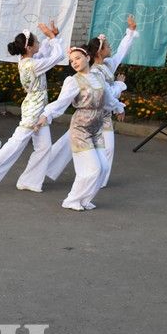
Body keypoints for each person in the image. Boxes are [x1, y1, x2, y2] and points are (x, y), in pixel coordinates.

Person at [0, 21, 63, 195]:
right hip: (33, 109)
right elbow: (56, 57)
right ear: (29, 48)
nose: (38, 43)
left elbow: (45, 52)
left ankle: (29, 181)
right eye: (36, 41)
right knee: (15, 144)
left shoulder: (30, 60)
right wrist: (52, 38)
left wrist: (53, 37)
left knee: (44, 147)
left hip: (38, 108)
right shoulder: (32, 64)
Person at [45, 15, 138, 186]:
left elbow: (121, 53)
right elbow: (108, 92)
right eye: (108, 46)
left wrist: (131, 32)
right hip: (95, 115)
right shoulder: (95, 72)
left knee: (97, 148)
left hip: (104, 114)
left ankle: (98, 180)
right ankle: (50, 167)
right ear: (100, 51)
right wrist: (120, 84)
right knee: (87, 146)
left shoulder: (108, 64)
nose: (111, 48)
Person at [34, 45, 124, 211]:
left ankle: (84, 199)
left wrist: (119, 107)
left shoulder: (98, 77)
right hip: (80, 128)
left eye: (77, 58)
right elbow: (61, 102)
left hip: (96, 128)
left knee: (103, 167)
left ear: (88, 58)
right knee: (91, 168)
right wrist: (45, 115)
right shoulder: (73, 81)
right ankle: (71, 200)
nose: (74, 62)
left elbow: (109, 98)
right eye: (71, 60)